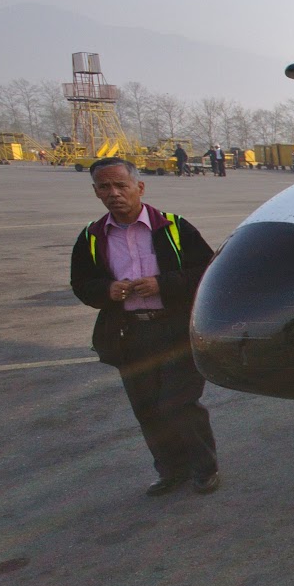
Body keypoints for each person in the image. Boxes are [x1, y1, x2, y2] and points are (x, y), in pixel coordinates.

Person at [70, 157, 220, 494]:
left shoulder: (175, 228)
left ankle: (204, 468)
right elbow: (81, 284)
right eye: (105, 187)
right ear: (95, 192)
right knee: (147, 407)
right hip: (129, 333)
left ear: (139, 187)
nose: (114, 193)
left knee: (179, 403)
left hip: (175, 330)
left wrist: (163, 284)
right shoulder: (92, 238)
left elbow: (209, 272)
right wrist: (105, 291)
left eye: (121, 186)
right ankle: (171, 470)